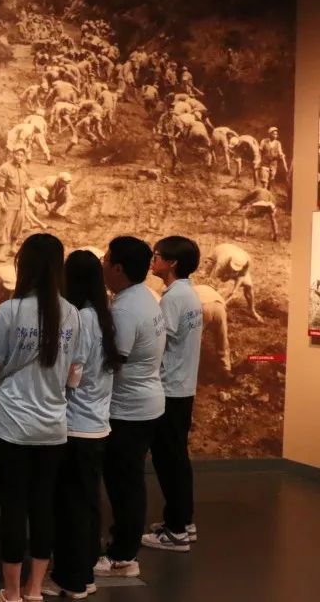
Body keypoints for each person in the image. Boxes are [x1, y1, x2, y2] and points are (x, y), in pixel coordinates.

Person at [0, 234, 81, 602]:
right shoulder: (71, 313)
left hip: (9, 424)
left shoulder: (9, 311)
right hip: (52, 425)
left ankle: (11, 593)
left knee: (12, 506)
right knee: (42, 506)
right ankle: (35, 589)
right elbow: (73, 372)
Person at [43, 250, 122, 599]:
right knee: (87, 503)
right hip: (97, 424)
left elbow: (72, 374)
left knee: (71, 507)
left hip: (75, 425)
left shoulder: (80, 318)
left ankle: (71, 579)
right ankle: (85, 573)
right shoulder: (103, 317)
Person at [96, 236, 167, 579]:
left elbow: (115, 361)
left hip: (129, 409)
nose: (102, 263)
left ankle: (123, 556)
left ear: (118, 268)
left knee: (124, 484)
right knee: (129, 481)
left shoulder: (124, 310)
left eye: (106, 258)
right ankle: (123, 547)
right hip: (145, 403)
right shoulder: (143, 296)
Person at [144, 237, 203, 553]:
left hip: (169, 388)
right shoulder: (187, 295)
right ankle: (183, 521)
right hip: (183, 387)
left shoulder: (173, 300)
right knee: (177, 458)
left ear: (172, 263)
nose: (152, 261)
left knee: (169, 460)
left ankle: (176, 531)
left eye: (157, 256)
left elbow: (158, 343)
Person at [204, 243, 262, 321]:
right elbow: (213, 281)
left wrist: (234, 290)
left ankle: (251, 310)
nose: (233, 272)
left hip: (232, 255)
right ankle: (207, 308)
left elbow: (242, 275)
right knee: (209, 285)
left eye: (236, 270)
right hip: (215, 257)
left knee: (249, 286)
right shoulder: (222, 262)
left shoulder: (247, 261)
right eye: (233, 268)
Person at [0, 148, 31, 261]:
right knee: (5, 226)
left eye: (22, 155)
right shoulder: (5, 168)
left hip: (21, 202)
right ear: (12, 154)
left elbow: (25, 186)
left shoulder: (24, 168)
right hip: (9, 201)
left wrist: (27, 201)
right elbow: (0, 187)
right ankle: (1, 253)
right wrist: (2, 201)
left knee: (18, 225)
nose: (19, 157)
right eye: (17, 154)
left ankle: (12, 248)